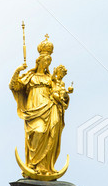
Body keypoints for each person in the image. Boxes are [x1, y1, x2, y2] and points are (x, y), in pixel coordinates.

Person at [9, 36, 67, 176]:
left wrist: (64, 96)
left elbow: (59, 93)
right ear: (39, 61)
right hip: (34, 109)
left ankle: (45, 167)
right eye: (45, 60)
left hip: (50, 108)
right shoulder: (30, 76)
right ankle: (33, 165)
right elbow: (14, 86)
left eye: (49, 61)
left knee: (51, 134)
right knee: (38, 131)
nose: (47, 63)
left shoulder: (50, 79)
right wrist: (18, 70)